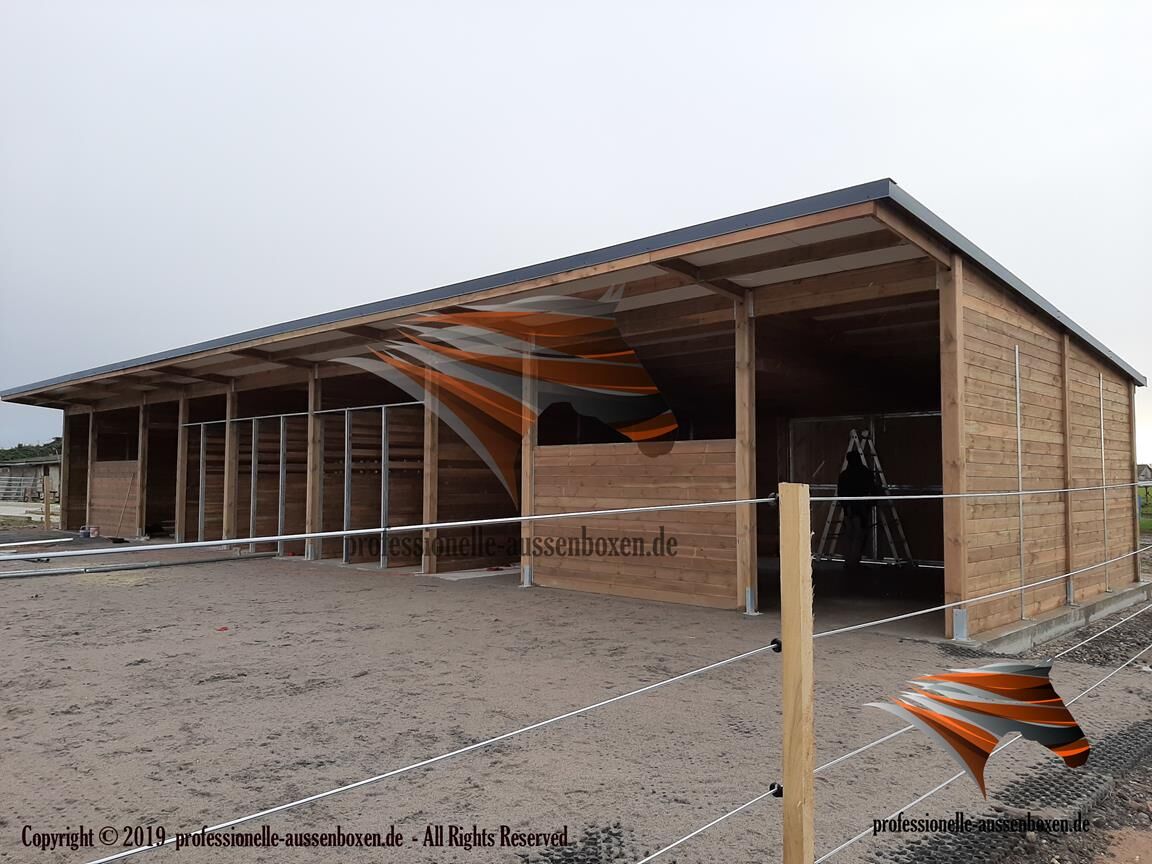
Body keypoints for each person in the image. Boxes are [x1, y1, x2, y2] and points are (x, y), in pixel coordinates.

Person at [837, 448, 878, 571]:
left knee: (849, 535)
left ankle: (848, 561)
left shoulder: (844, 475)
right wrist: (872, 503)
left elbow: (840, 494)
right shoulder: (865, 473)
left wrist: (845, 507)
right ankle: (854, 563)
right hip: (861, 510)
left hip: (848, 510)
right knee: (858, 536)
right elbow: (872, 489)